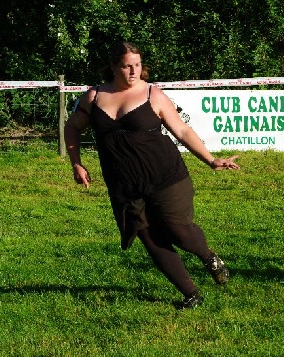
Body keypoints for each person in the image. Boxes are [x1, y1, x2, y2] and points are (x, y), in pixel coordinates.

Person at [64, 41, 240, 309]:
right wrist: (76, 163)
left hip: (166, 176)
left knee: (177, 231)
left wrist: (211, 161)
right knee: (148, 236)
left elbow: (181, 131)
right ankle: (190, 294)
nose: (134, 71)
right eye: (126, 66)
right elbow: (72, 127)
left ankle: (208, 256)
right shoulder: (94, 97)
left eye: (137, 65)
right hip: (124, 184)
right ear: (113, 66)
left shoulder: (152, 95)